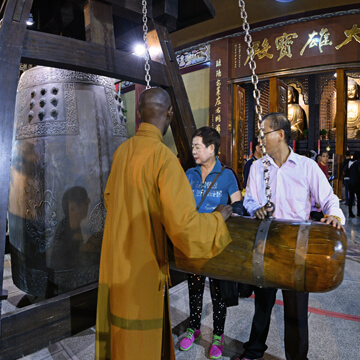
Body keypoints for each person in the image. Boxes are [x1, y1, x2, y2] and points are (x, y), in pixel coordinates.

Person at [95, 87, 233, 360]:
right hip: (142, 263)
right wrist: (217, 220)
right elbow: (184, 227)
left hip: (115, 259)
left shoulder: (122, 151)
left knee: (118, 328)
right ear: (170, 114)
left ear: (138, 114)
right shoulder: (164, 159)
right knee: (140, 334)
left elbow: (110, 199)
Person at [237, 112, 345, 360]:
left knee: (296, 308)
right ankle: (254, 351)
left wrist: (334, 216)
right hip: (266, 245)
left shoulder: (306, 167)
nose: (260, 139)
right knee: (262, 303)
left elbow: (329, 200)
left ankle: (297, 357)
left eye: (264, 133)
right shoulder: (257, 167)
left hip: (297, 248)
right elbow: (251, 199)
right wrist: (256, 209)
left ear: (281, 134)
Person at [179, 126, 242, 359]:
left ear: (211, 148)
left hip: (217, 244)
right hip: (195, 242)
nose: (194, 151)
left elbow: (238, 205)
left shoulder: (226, 175)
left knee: (218, 293)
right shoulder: (190, 174)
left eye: (198, 146)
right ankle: (193, 328)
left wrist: (230, 211)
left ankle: (218, 335)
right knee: (194, 289)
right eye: (193, 146)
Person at [348, 151, 360, 218]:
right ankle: (359, 212)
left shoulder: (352, 164)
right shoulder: (358, 163)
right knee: (359, 198)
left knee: (351, 198)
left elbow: (348, 171)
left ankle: (350, 212)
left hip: (351, 182)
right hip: (357, 184)